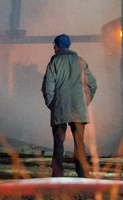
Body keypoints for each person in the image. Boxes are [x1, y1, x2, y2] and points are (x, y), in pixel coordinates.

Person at [41, 33, 97, 177]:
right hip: (78, 107)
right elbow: (92, 84)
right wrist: (85, 103)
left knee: (58, 142)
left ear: (58, 46)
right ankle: (83, 174)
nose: (53, 47)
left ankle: (58, 174)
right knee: (79, 141)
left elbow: (48, 87)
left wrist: (51, 104)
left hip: (60, 106)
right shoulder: (81, 61)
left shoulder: (54, 62)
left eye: (54, 45)